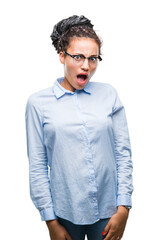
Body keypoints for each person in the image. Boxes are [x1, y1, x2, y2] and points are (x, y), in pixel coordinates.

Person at [25, 15, 133, 240]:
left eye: (93, 58)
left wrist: (124, 207)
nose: (86, 65)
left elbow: (122, 153)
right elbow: (38, 165)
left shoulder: (109, 94)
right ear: (62, 56)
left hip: (108, 210)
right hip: (64, 213)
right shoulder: (38, 103)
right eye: (78, 57)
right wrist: (50, 221)